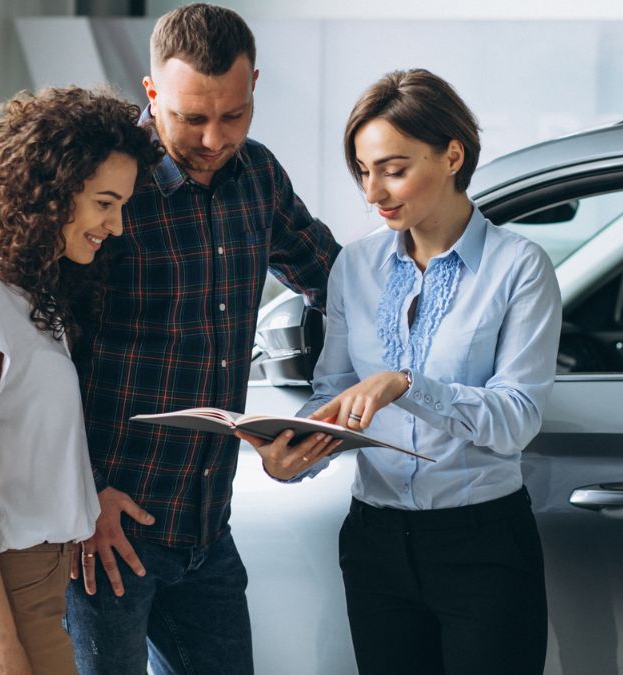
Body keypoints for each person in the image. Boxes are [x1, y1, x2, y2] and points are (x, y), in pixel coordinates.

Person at [239, 68, 562, 675]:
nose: (374, 193)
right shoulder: (354, 268)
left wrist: (407, 385)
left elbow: (517, 418)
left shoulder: (519, 267)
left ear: (452, 155)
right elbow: (335, 392)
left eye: (393, 168)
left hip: (483, 547)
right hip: (374, 543)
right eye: (363, 172)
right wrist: (297, 451)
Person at [64, 5, 340, 674]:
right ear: (152, 93)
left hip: (208, 530)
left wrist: (329, 410)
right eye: (193, 118)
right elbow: (47, 353)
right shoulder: (110, 189)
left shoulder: (261, 178)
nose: (216, 139)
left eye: (235, 115)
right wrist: (82, 493)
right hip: (108, 533)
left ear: (253, 89)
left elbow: (339, 284)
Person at [0, 87, 160, 674]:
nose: (116, 226)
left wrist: (81, 496)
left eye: (122, 205)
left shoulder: (30, 296)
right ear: (52, 191)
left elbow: (21, 441)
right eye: (105, 202)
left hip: (34, 580)